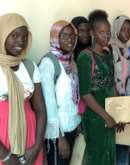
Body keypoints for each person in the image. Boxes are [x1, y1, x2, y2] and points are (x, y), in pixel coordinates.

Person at [0, 13, 46, 165]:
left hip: (30, 137)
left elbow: (40, 110)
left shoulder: (30, 66)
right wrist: (6, 156)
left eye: (25, 36)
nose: (21, 41)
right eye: (14, 35)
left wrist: (36, 147)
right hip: (2, 142)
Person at [77, 9, 116, 165]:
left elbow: (111, 85)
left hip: (110, 116)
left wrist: (118, 114)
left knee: (109, 156)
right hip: (95, 118)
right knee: (97, 158)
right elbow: (85, 94)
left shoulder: (108, 55)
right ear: (92, 33)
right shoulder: (85, 57)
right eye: (101, 32)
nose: (106, 35)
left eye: (108, 32)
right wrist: (106, 116)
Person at [39, 20, 81, 165]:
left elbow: (73, 97)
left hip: (72, 125)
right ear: (55, 37)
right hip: (58, 133)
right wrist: (60, 138)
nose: (70, 40)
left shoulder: (70, 60)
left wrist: (77, 122)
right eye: (64, 36)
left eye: (72, 36)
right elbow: (49, 104)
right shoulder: (48, 64)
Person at [110, 15, 130, 165]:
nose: (126, 32)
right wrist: (119, 113)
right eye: (122, 29)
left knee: (124, 146)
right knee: (112, 147)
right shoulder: (110, 49)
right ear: (116, 30)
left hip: (127, 106)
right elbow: (111, 80)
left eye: (129, 29)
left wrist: (127, 112)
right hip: (113, 106)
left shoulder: (128, 51)